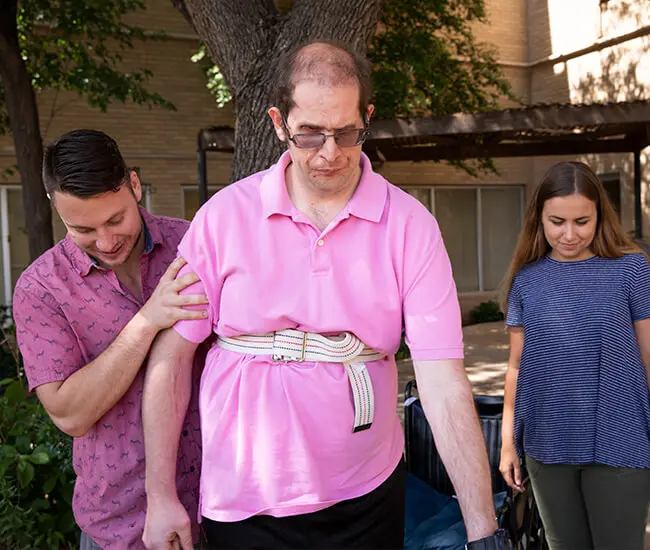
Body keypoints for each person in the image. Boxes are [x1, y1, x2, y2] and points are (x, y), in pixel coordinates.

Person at [142, 40, 510, 550]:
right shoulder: (223, 218)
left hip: (367, 493)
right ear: (278, 122)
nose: (330, 152)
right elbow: (171, 358)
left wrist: (482, 530)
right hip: (245, 496)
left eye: (347, 132)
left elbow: (442, 382)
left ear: (368, 118)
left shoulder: (410, 227)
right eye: (310, 134)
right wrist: (160, 496)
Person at [13, 129, 208, 550]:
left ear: (134, 186)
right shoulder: (42, 289)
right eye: (82, 228)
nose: (105, 241)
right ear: (54, 207)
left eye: (116, 219)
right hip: (121, 525)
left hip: (224, 505)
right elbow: (69, 415)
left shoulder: (194, 245)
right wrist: (146, 322)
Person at [499, 161, 650, 550]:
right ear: (539, 219)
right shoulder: (526, 279)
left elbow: (649, 355)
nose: (569, 234)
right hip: (547, 444)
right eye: (557, 221)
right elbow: (516, 368)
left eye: (582, 221)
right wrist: (507, 442)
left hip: (621, 439)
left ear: (601, 216)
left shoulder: (631, 270)